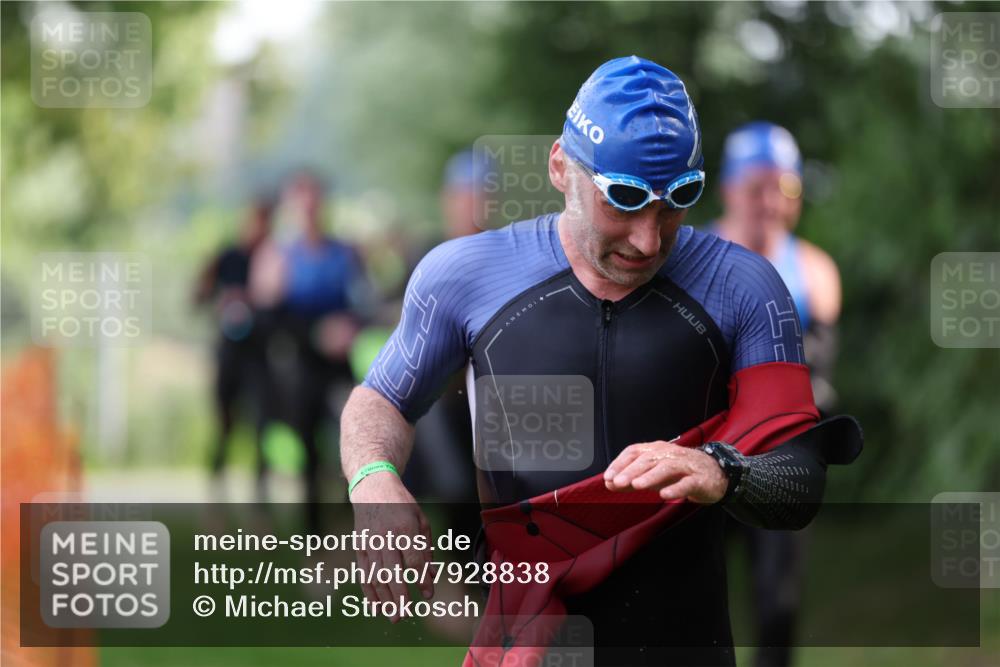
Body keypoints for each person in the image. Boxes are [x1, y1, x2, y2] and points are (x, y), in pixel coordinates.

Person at [340, 56, 857, 666]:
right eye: (625, 199)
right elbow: (381, 399)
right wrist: (373, 482)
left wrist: (723, 471)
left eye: (677, 201)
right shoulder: (466, 276)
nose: (648, 237)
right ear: (561, 166)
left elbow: (799, 478)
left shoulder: (743, 286)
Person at [712, 122, 843, 667]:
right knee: (692, 598)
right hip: (704, 449)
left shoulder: (814, 270)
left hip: (778, 458)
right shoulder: (693, 258)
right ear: (728, 189)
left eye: (784, 188)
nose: (769, 202)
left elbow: (820, 382)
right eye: (755, 186)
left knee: (778, 603)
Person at [251, 170, 371, 530]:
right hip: (296, 364)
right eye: (301, 202)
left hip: (338, 365)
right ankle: (313, 534)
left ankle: (351, 528)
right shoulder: (276, 256)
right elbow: (267, 318)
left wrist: (350, 328)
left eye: (314, 200)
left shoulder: (345, 252)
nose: (308, 209)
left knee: (350, 442)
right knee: (307, 453)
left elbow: (366, 305)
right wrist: (316, 333)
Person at [194, 196, 274, 495]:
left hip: (259, 356)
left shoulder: (271, 260)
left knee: (261, 428)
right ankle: (216, 494)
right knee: (224, 426)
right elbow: (199, 296)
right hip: (229, 354)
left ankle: (259, 500)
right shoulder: (226, 257)